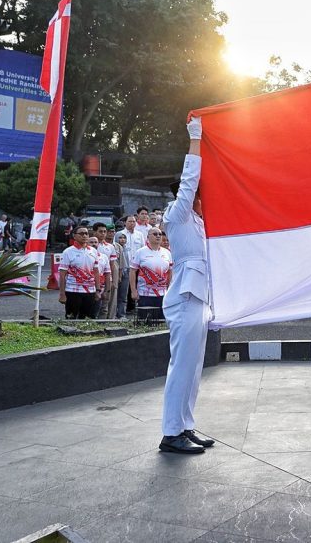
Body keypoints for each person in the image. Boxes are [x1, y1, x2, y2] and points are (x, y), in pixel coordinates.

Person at [159, 115, 215, 455]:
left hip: (200, 299)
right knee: (181, 367)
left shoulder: (200, 223)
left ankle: (185, 426)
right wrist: (196, 138)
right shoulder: (176, 216)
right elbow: (190, 180)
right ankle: (170, 433)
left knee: (194, 369)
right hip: (184, 298)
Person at [130, 227, 172, 322]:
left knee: (162, 322)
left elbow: (170, 272)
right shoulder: (140, 252)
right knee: (146, 321)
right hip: (145, 294)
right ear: (148, 237)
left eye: (159, 234)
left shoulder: (167, 253)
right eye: (155, 234)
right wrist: (133, 290)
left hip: (163, 294)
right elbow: (132, 271)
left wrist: (169, 289)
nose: (158, 236)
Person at [58, 226, 100, 319]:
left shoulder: (93, 251)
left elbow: (96, 272)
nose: (84, 236)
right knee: (71, 318)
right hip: (73, 290)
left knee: (87, 318)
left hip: (90, 291)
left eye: (86, 233)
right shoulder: (68, 252)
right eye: (81, 234)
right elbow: (62, 275)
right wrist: (62, 294)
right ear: (74, 236)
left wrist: (98, 290)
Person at [93, 223, 119, 318]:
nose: (103, 234)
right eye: (100, 231)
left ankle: (104, 323)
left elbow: (112, 265)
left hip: (107, 278)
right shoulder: (91, 244)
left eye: (105, 231)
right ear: (95, 232)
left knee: (105, 304)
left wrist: (113, 281)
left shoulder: (110, 247)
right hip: (92, 279)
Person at [87, 236, 112, 318]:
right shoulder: (84, 255)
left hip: (99, 289)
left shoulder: (104, 257)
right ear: (86, 243)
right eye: (91, 242)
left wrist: (107, 291)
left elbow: (107, 274)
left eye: (95, 242)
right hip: (85, 288)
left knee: (95, 312)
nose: (94, 244)